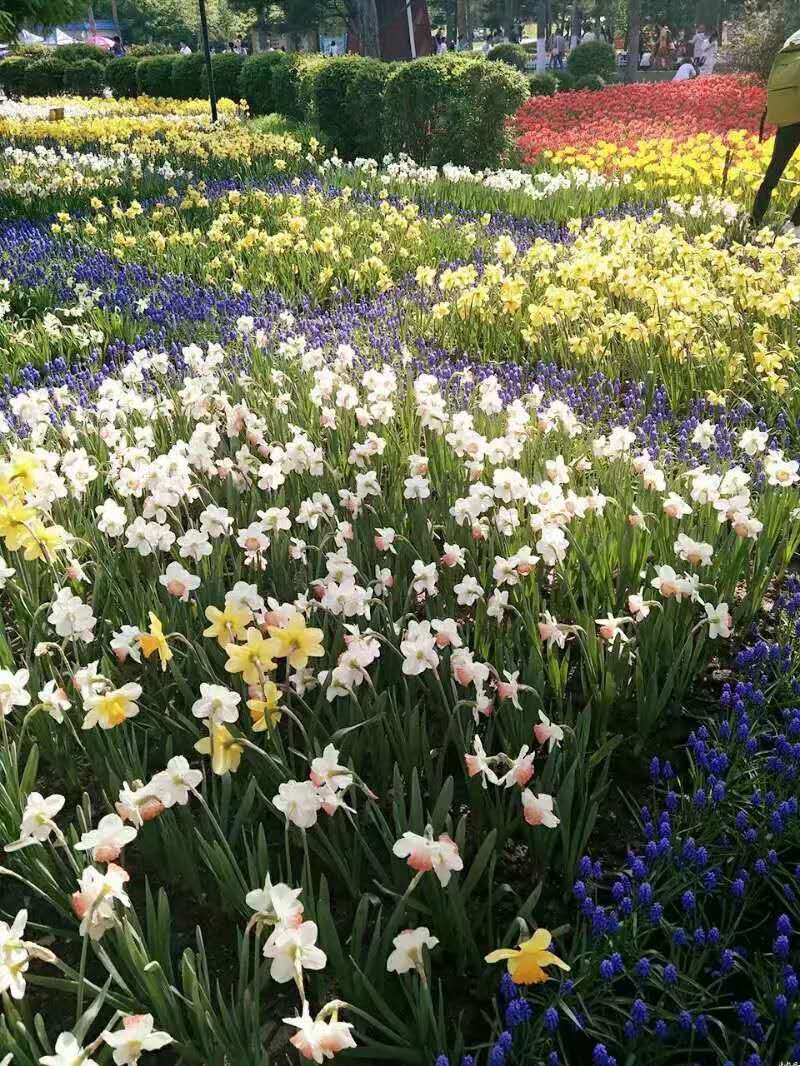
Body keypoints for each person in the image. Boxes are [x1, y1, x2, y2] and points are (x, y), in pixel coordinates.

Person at [752, 30, 800, 229]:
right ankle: (796, 222)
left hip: (789, 115)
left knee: (774, 170)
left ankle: (754, 220)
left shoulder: (794, 38)